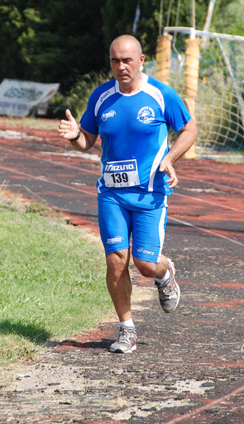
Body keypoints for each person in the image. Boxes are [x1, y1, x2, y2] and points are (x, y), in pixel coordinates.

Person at [58, 35, 197, 354]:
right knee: (116, 260)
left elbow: (189, 129)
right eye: (115, 61)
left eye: (127, 60)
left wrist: (169, 158)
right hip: (112, 194)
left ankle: (166, 273)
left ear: (142, 60)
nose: (121, 67)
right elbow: (88, 140)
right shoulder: (101, 96)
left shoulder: (161, 94)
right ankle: (126, 329)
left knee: (144, 264)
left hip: (150, 194)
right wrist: (75, 135)